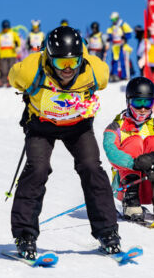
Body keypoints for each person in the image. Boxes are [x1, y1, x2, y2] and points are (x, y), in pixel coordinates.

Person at [7, 26, 120, 260]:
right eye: (60, 63)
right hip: (41, 126)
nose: (68, 69)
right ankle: (25, 235)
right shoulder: (31, 69)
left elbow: (103, 80)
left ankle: (107, 232)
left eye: (73, 62)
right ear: (49, 59)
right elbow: (14, 79)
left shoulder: (95, 71)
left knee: (91, 169)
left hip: (78, 127)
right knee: (37, 170)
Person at [103, 77, 154, 220]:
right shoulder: (116, 127)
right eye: (138, 103)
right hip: (125, 182)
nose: (143, 109)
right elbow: (111, 151)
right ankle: (130, 200)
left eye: (148, 103)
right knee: (134, 141)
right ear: (128, 102)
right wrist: (133, 163)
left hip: (152, 179)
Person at [108, 12, 139, 79]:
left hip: (122, 46)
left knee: (122, 60)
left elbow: (129, 33)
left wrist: (124, 37)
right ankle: (114, 74)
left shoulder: (122, 24)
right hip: (114, 46)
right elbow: (110, 35)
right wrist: (109, 39)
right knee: (114, 60)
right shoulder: (112, 27)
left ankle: (124, 75)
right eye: (112, 20)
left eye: (115, 19)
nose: (114, 21)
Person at [0, 19, 21, 87]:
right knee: (4, 69)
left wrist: (17, 48)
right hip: (3, 54)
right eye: (4, 28)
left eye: (7, 28)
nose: (5, 29)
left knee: (11, 69)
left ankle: (11, 81)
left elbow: (17, 41)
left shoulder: (13, 34)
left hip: (11, 53)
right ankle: (3, 81)